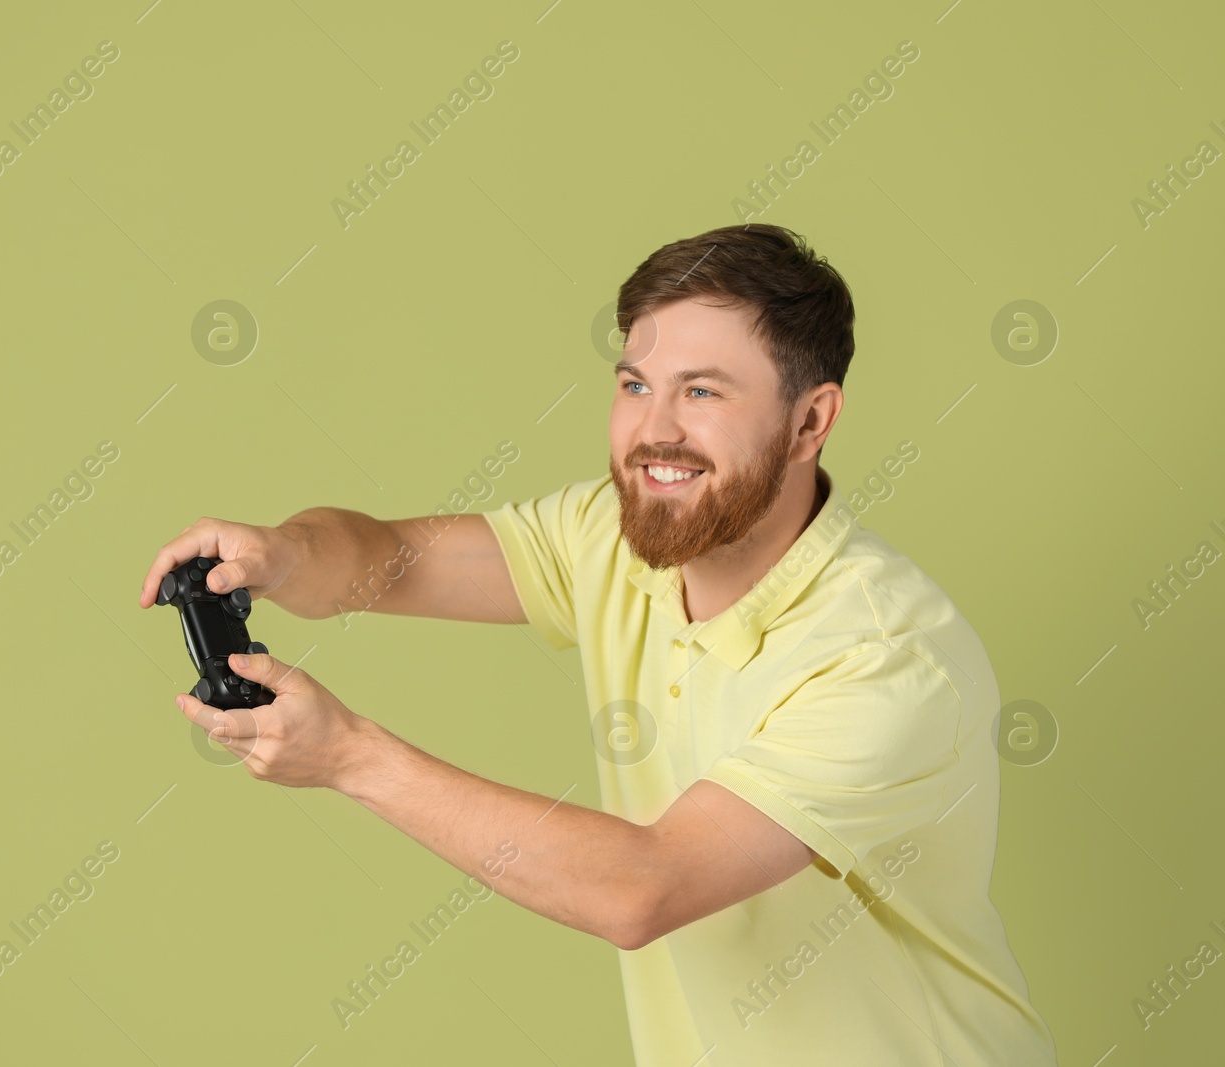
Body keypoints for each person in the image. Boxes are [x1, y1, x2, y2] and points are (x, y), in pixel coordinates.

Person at [137, 223, 1058, 1065]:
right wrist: (285, 552)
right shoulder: (613, 539)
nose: (654, 430)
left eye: (703, 391)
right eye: (635, 384)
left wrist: (349, 756)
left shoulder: (885, 651)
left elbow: (641, 888)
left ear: (811, 420)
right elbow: (390, 558)